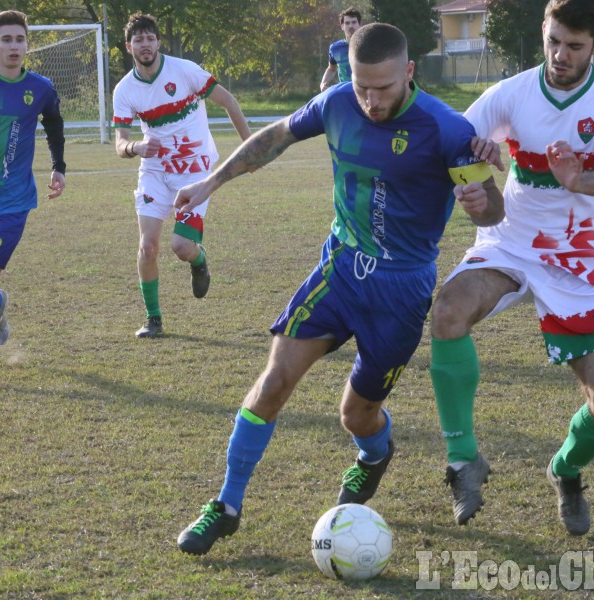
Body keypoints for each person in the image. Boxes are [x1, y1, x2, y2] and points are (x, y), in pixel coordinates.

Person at [174, 23, 505, 556]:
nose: (371, 101)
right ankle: (227, 505)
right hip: (341, 270)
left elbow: (493, 205)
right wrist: (211, 181)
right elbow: (274, 137)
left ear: (409, 72)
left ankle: (374, 454)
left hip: (402, 290)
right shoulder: (336, 103)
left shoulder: (447, 129)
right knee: (275, 378)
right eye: (361, 87)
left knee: (356, 415)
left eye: (384, 88)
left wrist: (481, 202)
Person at [430, 0, 594, 534]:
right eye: (554, 41)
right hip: (513, 242)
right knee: (447, 312)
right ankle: (464, 461)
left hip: (581, 258)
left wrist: (576, 180)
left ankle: (565, 470)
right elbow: (452, 143)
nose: (560, 55)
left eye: (574, 46)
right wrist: (479, 170)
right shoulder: (512, 92)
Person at [112, 13, 252, 339]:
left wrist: (250, 148)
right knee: (147, 247)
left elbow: (229, 102)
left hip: (195, 173)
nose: (145, 45)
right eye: (138, 40)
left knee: (181, 247)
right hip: (155, 172)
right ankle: (153, 319)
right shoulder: (125, 90)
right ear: (129, 46)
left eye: (150, 38)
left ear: (159, 42)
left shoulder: (185, 71)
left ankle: (199, 259)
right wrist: (135, 146)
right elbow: (120, 143)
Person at [0, 10, 66, 346]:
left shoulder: (40, 88)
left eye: (20, 39)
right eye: (6, 39)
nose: (14, 46)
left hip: (13, 201)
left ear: (28, 44)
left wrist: (59, 167)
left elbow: (54, 125)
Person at [319, 7, 362, 91]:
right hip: (345, 91)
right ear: (342, 26)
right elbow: (331, 69)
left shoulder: (368, 45)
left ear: (360, 24)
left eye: (354, 22)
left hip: (365, 91)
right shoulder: (335, 48)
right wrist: (323, 83)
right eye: (347, 23)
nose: (351, 26)